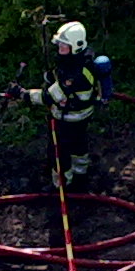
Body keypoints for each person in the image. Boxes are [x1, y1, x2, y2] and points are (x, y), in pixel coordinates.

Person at [23, 19, 100, 188]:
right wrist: (49, 78)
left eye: (64, 47)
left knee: (58, 153)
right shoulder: (79, 61)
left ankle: (62, 184)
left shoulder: (75, 74)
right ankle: (81, 176)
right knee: (79, 146)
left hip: (68, 119)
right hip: (81, 118)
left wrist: (23, 94)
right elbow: (57, 78)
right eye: (59, 46)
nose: (60, 50)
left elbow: (49, 97)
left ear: (75, 46)